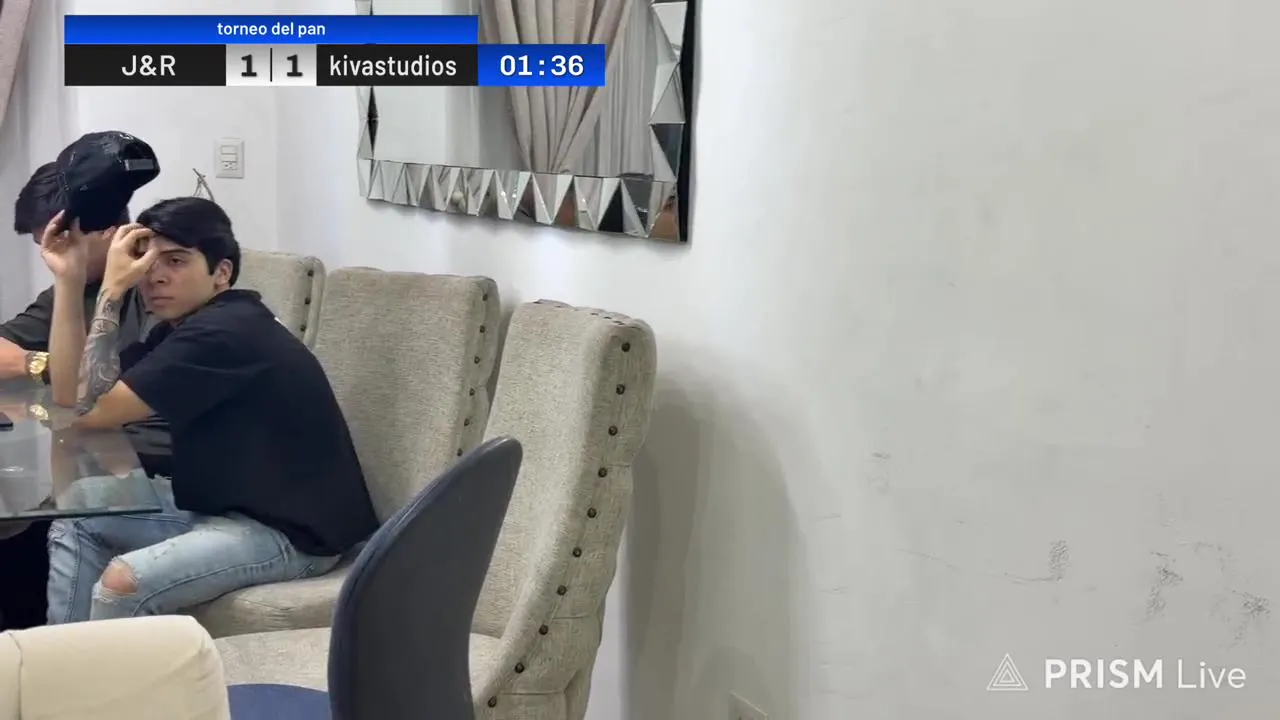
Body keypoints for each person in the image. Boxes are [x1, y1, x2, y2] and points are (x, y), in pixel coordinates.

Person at [45, 196, 379, 623]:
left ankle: (99, 668)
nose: (154, 276)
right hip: (219, 505)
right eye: (147, 260)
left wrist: (111, 290)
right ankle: (61, 660)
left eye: (176, 261)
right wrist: (70, 280)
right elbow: (72, 396)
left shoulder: (225, 332)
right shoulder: (185, 328)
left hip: (290, 534)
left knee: (122, 582)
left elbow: (87, 411)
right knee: (78, 510)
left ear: (221, 273)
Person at [0, 163, 151, 401]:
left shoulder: (159, 282)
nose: (51, 259)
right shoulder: (72, 288)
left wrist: (69, 368)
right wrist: (45, 364)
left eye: (61, 245)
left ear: (106, 230)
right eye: (45, 247)